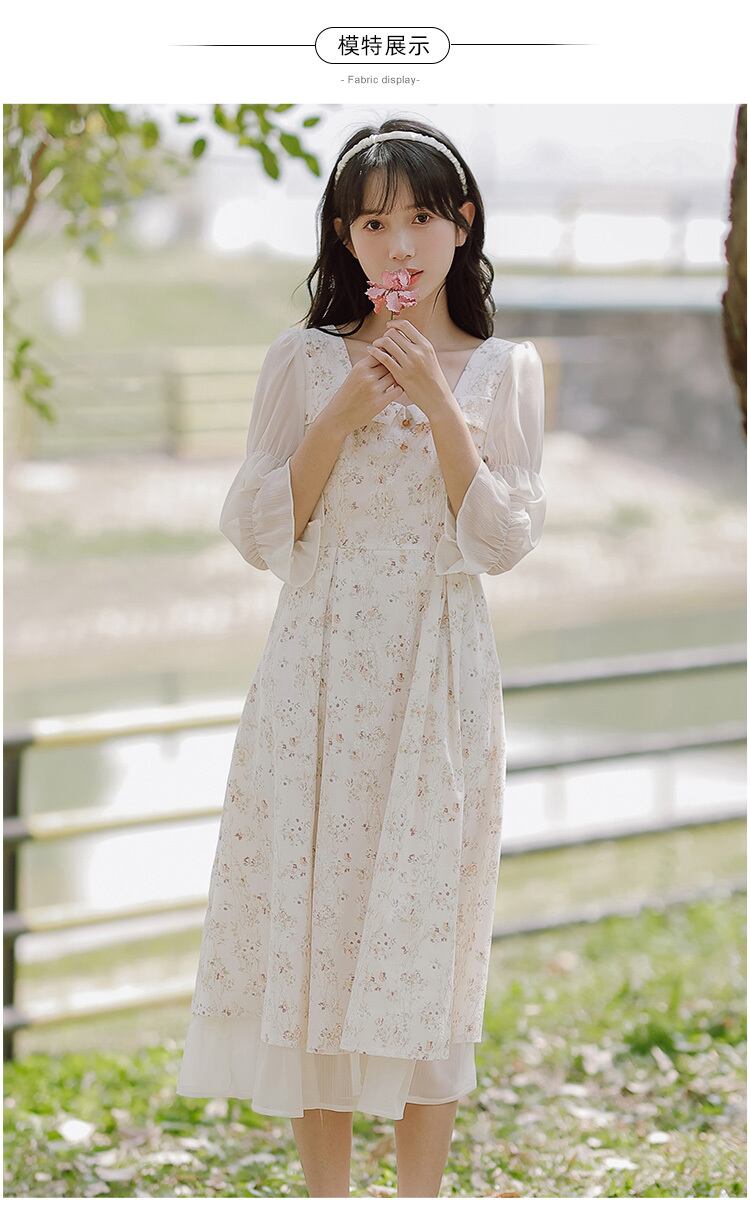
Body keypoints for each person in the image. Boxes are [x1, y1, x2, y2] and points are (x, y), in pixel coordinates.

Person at [176, 116, 547, 1198]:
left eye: (421, 217)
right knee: (318, 933)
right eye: (374, 222)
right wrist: (338, 415)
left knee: (429, 939)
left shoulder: (504, 371)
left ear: (462, 224)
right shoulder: (301, 362)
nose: (401, 244)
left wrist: (437, 403)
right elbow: (259, 529)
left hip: (438, 678)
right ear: (344, 235)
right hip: (318, 677)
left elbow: (501, 540)